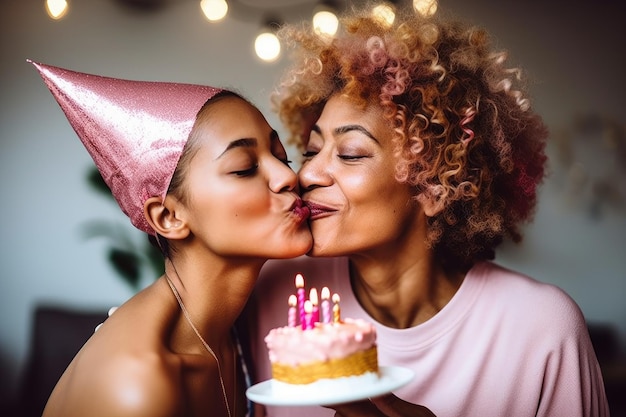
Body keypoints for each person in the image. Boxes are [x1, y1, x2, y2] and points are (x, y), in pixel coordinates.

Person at [246, 4, 609, 417]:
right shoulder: (277, 295)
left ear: (434, 188)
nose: (308, 172)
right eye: (310, 151)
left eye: (349, 154)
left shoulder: (542, 329)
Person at [30, 61, 312, 417]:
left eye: (281, 155)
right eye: (244, 167)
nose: (287, 177)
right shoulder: (138, 386)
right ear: (169, 217)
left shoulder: (237, 328)